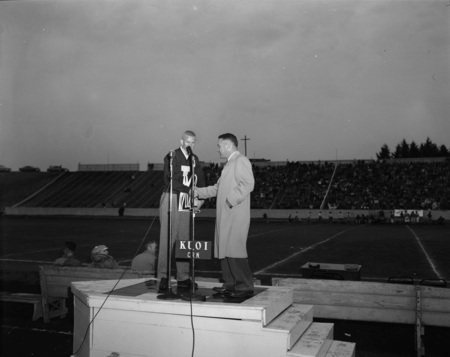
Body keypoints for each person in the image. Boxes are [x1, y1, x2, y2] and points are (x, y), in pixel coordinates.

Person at [195, 133, 255, 299]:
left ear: (228, 145)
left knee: (235, 250)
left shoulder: (240, 160)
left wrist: (230, 201)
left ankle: (244, 286)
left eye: (219, 145)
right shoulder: (229, 164)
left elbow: (248, 184)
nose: (218, 148)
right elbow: (216, 188)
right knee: (225, 250)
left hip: (235, 214)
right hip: (226, 215)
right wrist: (197, 191)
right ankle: (230, 284)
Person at [157, 130, 205, 292]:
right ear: (181, 141)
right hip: (171, 196)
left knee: (184, 238)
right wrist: (189, 190)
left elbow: (201, 178)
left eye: (193, 142)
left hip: (186, 199)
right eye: (188, 142)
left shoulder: (194, 159)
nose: (190, 145)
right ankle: (163, 276)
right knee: (167, 237)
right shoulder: (172, 156)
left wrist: (200, 198)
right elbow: (169, 179)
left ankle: (183, 277)